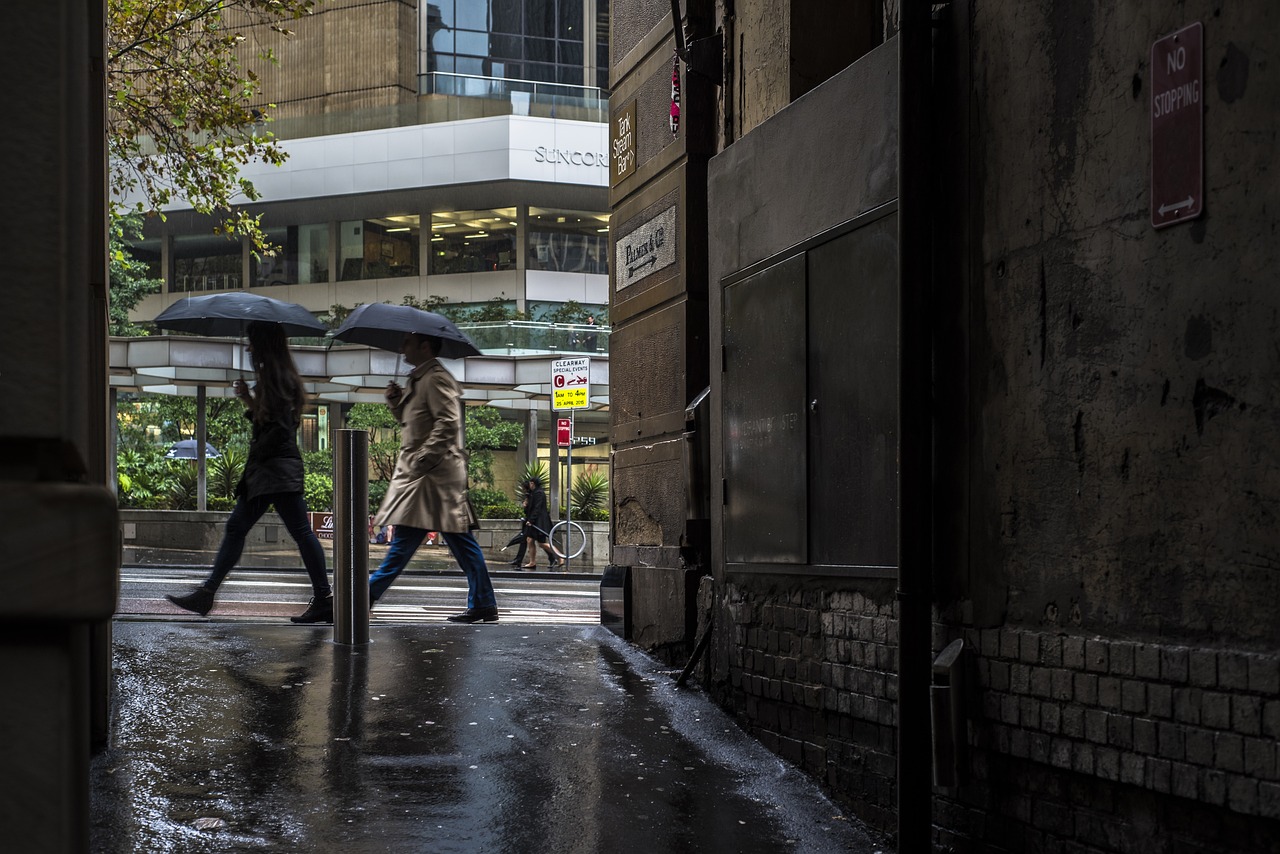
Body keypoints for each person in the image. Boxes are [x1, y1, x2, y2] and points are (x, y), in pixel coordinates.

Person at [166, 322, 333, 623]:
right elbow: (270, 419)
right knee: (254, 529)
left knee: (282, 531)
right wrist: (247, 398)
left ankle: (323, 597)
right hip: (274, 470)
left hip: (272, 472)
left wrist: (257, 452)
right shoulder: (278, 375)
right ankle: (208, 593)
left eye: (251, 342)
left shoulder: (275, 377)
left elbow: (277, 428)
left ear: (263, 344)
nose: (248, 348)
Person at [368, 333, 499, 622]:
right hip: (427, 476)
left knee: (410, 543)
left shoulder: (436, 378)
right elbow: (414, 422)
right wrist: (395, 402)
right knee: (454, 542)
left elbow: (448, 422)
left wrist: (422, 458)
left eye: (408, 343)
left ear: (425, 346)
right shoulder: (419, 379)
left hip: (432, 476)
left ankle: (362, 597)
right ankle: (483, 603)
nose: (402, 347)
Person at [521, 478, 562, 570]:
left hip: (539, 522)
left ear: (533, 483)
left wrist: (531, 520)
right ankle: (532, 562)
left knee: (542, 543)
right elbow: (530, 509)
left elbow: (537, 508)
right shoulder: (534, 493)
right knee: (530, 540)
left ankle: (560, 556)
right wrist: (525, 505)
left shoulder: (539, 493)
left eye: (531, 483)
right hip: (536, 521)